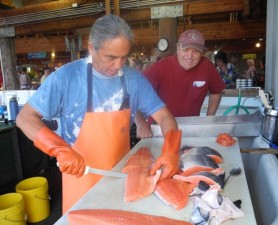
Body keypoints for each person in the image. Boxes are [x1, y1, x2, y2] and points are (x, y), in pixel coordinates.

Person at [16, 14, 181, 213]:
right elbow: (25, 118)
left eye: (124, 56)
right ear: (92, 47)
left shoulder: (134, 80)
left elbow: (165, 117)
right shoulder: (65, 78)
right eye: (111, 57)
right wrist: (58, 149)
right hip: (80, 179)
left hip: (122, 179)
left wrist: (171, 150)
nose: (119, 65)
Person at [135, 29, 226, 138]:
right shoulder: (159, 68)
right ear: (178, 48)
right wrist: (140, 122)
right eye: (186, 49)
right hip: (158, 130)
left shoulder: (207, 66)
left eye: (196, 51)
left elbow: (216, 91)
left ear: (202, 52)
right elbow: (134, 94)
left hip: (191, 129)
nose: (190, 55)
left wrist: (209, 119)